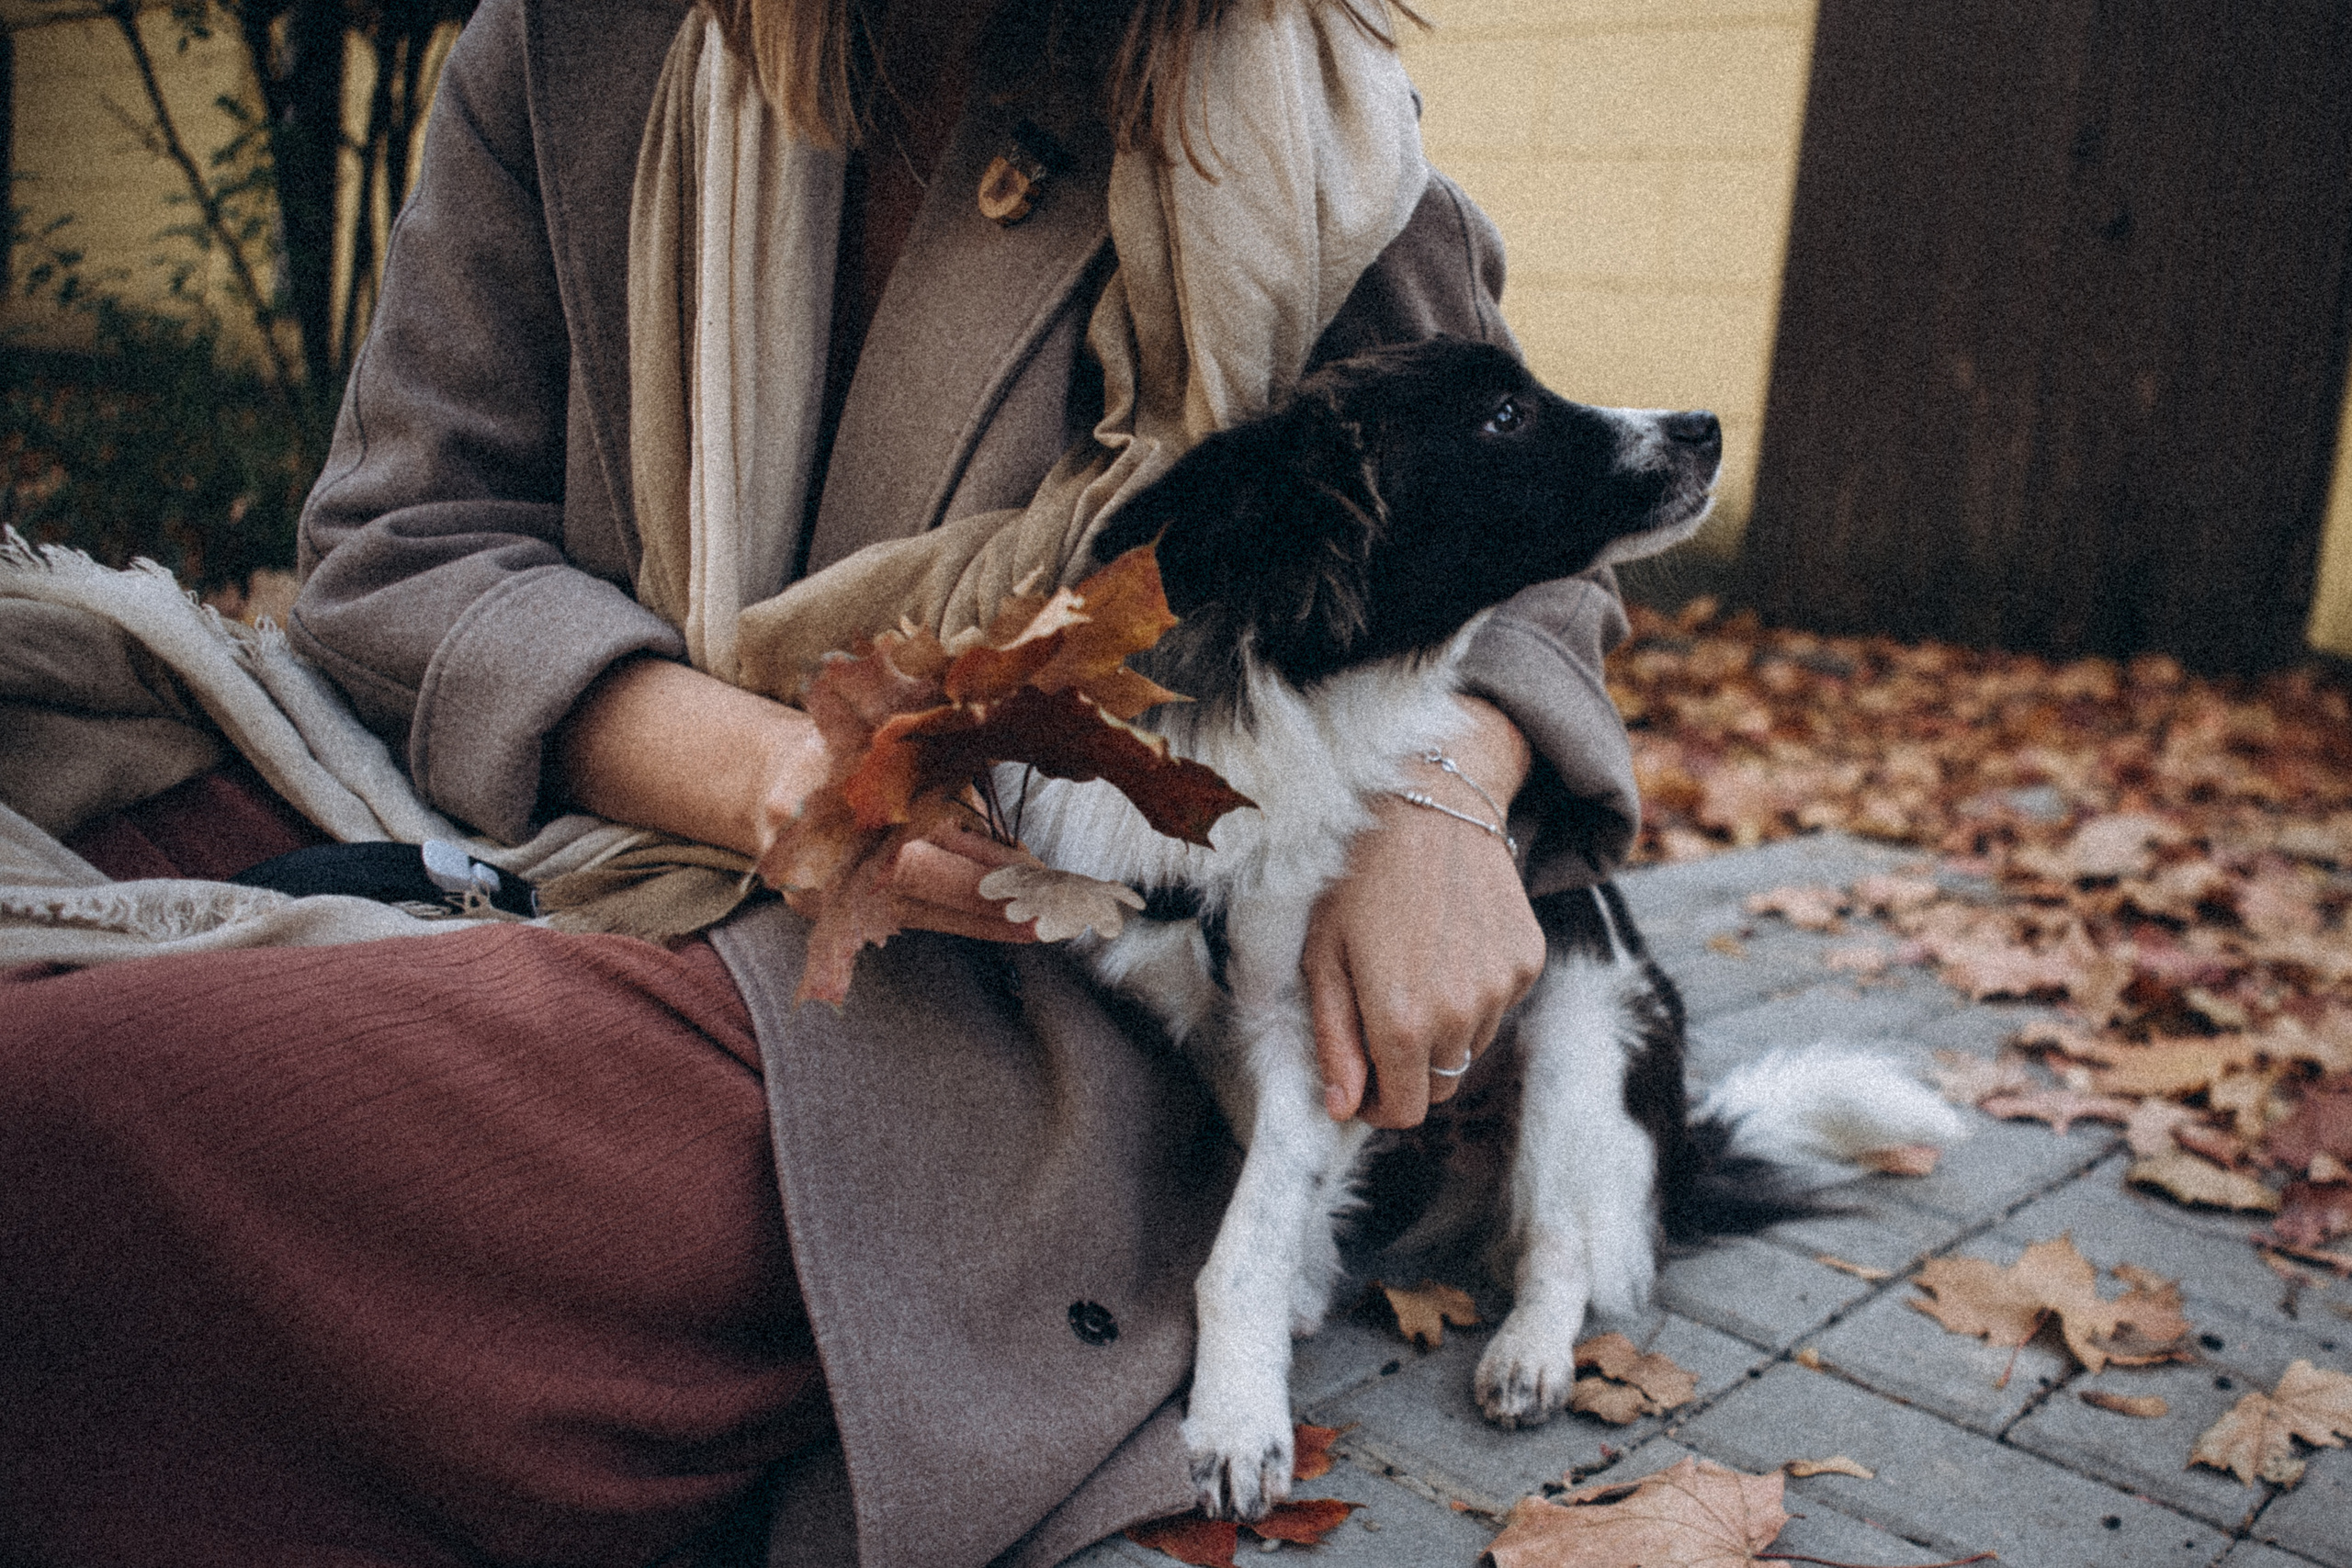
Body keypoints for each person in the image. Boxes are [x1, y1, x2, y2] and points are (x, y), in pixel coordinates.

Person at [0, 0, 1641, 1562]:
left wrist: (1446, 793)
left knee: (85, 1108)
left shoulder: (1287, 99)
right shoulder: (575, 45)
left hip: (1018, 999)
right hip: (589, 821)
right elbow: (405, 545)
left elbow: (1542, 517)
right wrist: (780, 774)